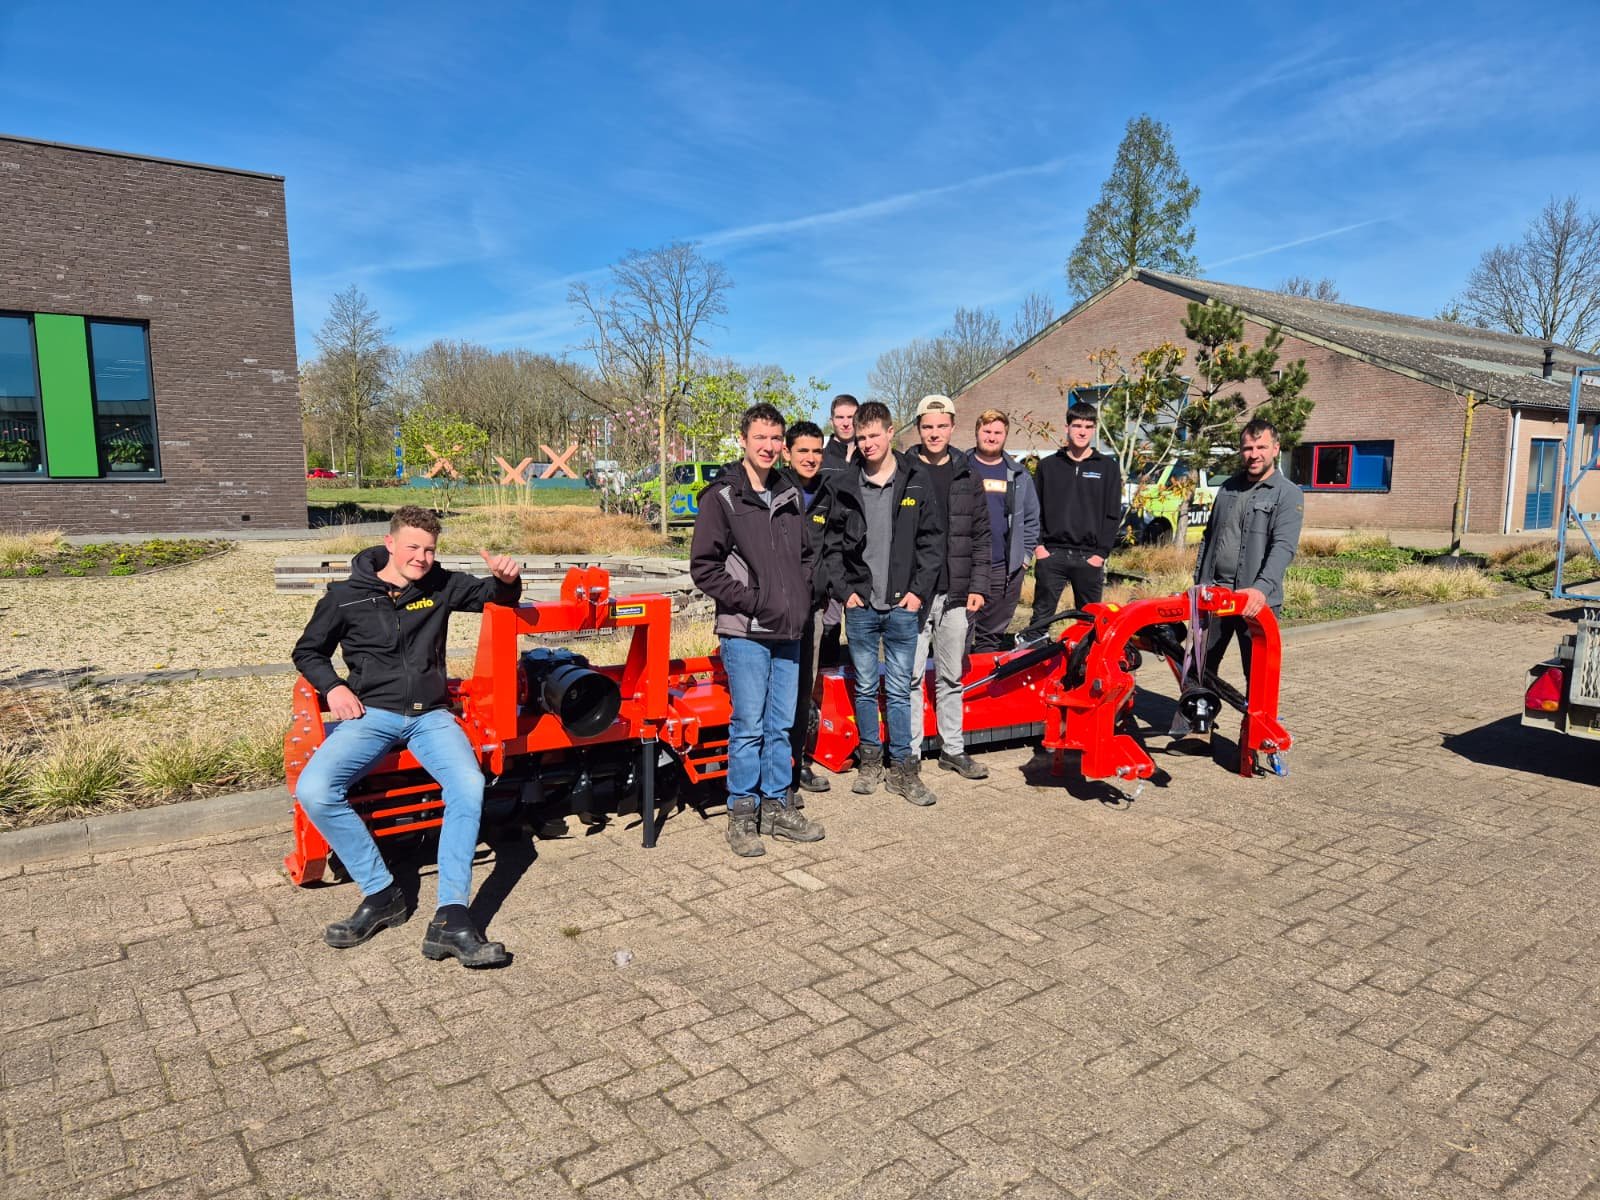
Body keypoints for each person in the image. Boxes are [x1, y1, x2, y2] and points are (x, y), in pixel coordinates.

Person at [291, 506, 522, 968]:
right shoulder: (345, 596)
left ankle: (451, 916)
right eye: (414, 547)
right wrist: (334, 688)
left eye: (430, 549)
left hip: (431, 717)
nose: (422, 557)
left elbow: (494, 599)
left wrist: (506, 580)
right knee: (315, 790)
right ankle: (382, 893)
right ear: (390, 543)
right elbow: (308, 651)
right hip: (370, 715)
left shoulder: (439, 584)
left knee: (468, 785)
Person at [690, 403, 825, 858]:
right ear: (744, 441)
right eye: (760, 438)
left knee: (782, 725)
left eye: (774, 439)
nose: (768, 446)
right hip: (745, 631)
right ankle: (742, 814)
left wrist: (799, 599)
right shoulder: (722, 498)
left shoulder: (789, 493)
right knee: (748, 725)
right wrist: (756, 601)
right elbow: (704, 568)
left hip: (788, 629)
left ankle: (777, 807)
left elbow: (807, 557)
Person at [839, 401, 945, 805]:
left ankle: (904, 770)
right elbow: (831, 545)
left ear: (889, 432)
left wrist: (919, 592)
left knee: (900, 689)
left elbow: (933, 543)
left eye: (873, 435)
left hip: (903, 605)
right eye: (860, 437)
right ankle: (870, 762)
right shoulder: (846, 484)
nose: (867, 443)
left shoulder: (916, 480)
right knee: (866, 687)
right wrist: (845, 590)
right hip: (862, 606)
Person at [906, 394, 993, 780]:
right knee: (907, 676)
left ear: (953, 427)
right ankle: (908, 754)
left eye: (941, 426)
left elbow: (981, 535)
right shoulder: (904, 470)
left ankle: (952, 749)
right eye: (928, 426)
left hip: (956, 592)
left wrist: (979, 585)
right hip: (914, 594)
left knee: (950, 676)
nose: (935, 433)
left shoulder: (966, 473)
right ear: (918, 429)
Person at [783, 420, 867, 801]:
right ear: (787, 453)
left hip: (812, 608)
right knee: (777, 691)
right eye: (803, 450)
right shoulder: (773, 489)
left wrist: (840, 590)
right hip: (772, 612)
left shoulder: (827, 494)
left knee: (803, 690)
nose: (811, 458)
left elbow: (833, 550)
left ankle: (797, 763)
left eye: (817, 451)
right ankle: (776, 773)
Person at [1194, 417, 1304, 685]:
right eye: (1247, 448)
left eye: (1261, 447)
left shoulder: (1287, 494)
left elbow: (1284, 547)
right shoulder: (1227, 488)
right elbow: (1208, 538)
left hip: (1255, 599)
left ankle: (1255, 726)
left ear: (1275, 449)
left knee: (1258, 675)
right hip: (1216, 594)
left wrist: (1261, 589)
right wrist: (1199, 582)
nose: (1253, 455)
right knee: (1200, 668)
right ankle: (1200, 721)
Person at [1031, 400, 1123, 630]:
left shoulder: (1107, 467)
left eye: (1088, 426)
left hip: (1089, 557)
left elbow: (1112, 514)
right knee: (1041, 618)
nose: (1082, 431)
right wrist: (1039, 547)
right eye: (1077, 425)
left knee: (1090, 623)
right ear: (1067, 428)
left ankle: (1083, 665)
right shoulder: (1048, 466)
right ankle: (1035, 658)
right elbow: (1034, 510)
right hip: (1052, 555)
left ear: (1094, 430)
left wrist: (1101, 553)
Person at [967, 409, 1041, 653]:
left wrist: (1024, 558)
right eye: (986, 431)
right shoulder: (960, 466)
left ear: (1005, 435)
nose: (991, 437)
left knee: (990, 639)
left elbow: (1031, 519)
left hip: (1003, 568)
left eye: (997, 432)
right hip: (965, 568)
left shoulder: (1019, 475)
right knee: (959, 637)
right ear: (977, 432)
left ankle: (981, 689)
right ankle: (955, 690)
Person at [822, 393, 859, 469]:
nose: (846, 423)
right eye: (840, 417)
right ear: (831, 422)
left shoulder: (869, 457)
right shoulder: (820, 460)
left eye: (850, 417)